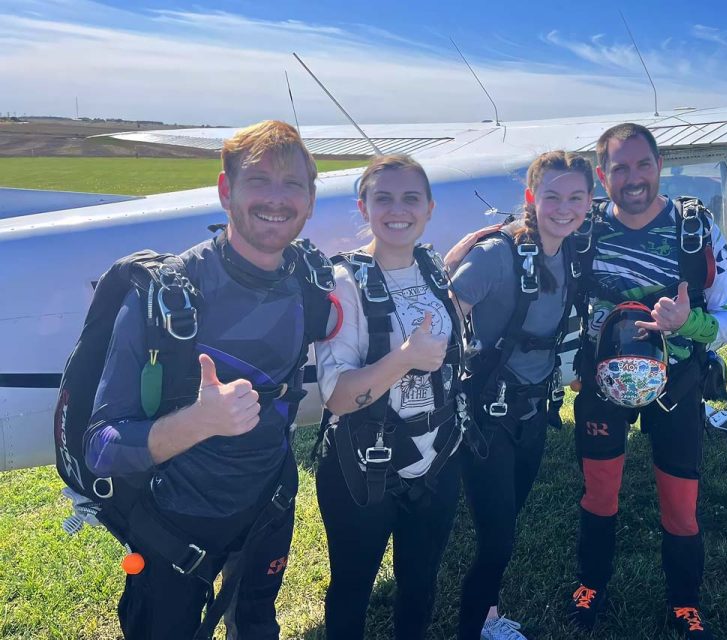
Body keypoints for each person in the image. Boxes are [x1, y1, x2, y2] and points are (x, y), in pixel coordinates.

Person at [83, 120, 337, 639]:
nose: (276, 199)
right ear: (226, 190)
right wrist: (199, 423)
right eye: (258, 180)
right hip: (175, 528)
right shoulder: (165, 297)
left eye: (293, 185)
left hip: (267, 509)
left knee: (258, 624)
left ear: (311, 201)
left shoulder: (309, 287)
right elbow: (101, 447)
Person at [567, 123, 727, 639]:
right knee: (599, 494)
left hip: (678, 387)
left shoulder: (696, 229)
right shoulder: (585, 227)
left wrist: (685, 323)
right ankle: (591, 583)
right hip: (602, 386)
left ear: (659, 164)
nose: (633, 177)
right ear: (602, 176)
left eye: (642, 163)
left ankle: (684, 603)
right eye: (619, 167)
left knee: (680, 504)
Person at [313, 154, 465, 640]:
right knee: (353, 588)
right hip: (363, 464)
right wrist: (405, 357)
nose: (397, 210)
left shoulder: (434, 270)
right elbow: (336, 397)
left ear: (429, 208)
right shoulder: (344, 283)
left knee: (420, 584)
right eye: (383, 198)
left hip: (437, 459)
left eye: (410, 198)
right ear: (364, 207)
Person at [449, 150, 594, 640]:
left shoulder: (570, 253)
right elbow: (443, 316)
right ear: (532, 198)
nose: (563, 206)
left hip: (534, 412)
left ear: (589, 202)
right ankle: (471, 629)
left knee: (507, 521)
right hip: (487, 419)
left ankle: (487, 615)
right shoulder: (497, 254)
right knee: (498, 540)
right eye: (551, 195)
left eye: (576, 196)